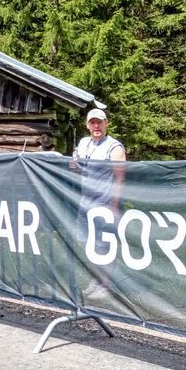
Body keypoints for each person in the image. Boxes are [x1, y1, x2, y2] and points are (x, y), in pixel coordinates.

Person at [72, 108, 126, 301]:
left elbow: (120, 178)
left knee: (104, 246)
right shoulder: (83, 143)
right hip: (85, 204)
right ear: (87, 125)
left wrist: (114, 205)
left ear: (106, 124)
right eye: (93, 123)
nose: (96, 126)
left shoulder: (115, 147)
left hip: (105, 204)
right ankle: (95, 281)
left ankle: (106, 284)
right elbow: (78, 167)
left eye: (100, 122)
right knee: (87, 244)